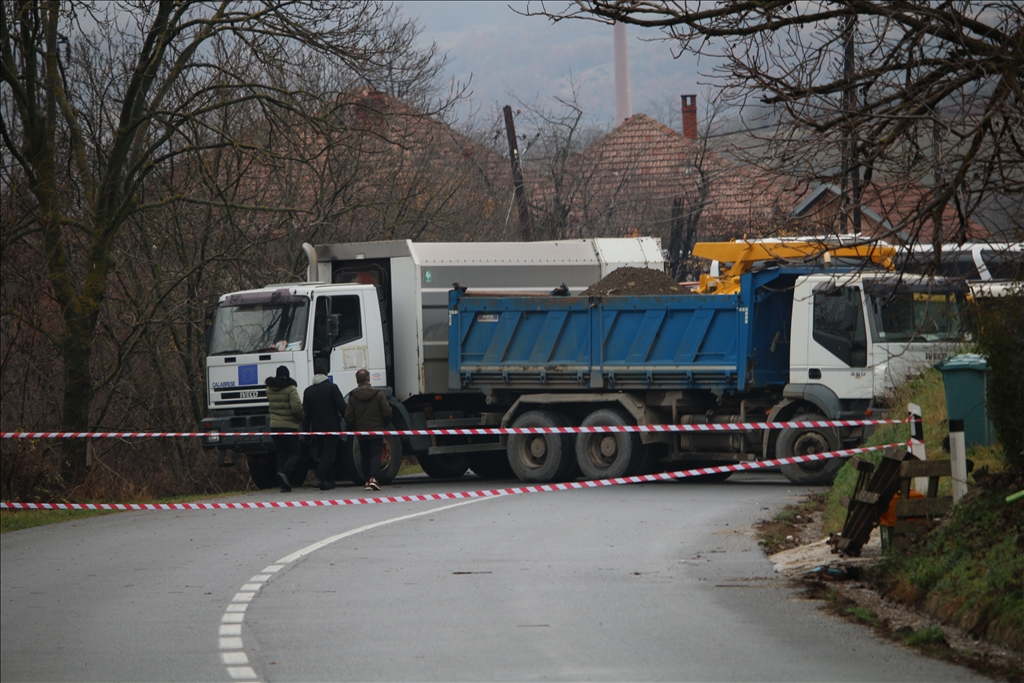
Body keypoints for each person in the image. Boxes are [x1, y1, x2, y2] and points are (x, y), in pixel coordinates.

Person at [344, 368, 392, 491]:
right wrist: (383, 425)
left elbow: (348, 415)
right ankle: (374, 479)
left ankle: (366, 480)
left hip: (361, 431)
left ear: (357, 381)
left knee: (365, 455)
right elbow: (387, 412)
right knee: (376, 454)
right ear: (369, 379)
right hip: (376, 430)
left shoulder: (353, 396)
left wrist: (355, 427)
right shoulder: (378, 394)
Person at [302, 360, 346, 490]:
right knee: (330, 455)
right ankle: (320, 477)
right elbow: (342, 407)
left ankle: (330, 480)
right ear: (326, 375)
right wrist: (350, 420)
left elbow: (306, 414)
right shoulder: (332, 388)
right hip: (332, 428)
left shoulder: (308, 391)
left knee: (322, 454)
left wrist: (306, 432)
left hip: (317, 429)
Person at [265, 365, 304, 493]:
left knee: (281, 453)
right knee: (295, 453)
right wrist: (301, 418)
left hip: (275, 426)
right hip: (289, 426)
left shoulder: (269, 389)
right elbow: (297, 407)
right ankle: (284, 472)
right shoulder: (291, 388)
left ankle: (283, 483)